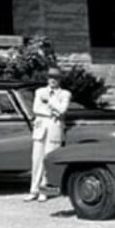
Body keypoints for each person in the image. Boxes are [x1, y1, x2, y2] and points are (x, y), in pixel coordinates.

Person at [24, 67, 71, 202]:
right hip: (41, 128)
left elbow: (63, 110)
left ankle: (44, 191)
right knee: (37, 160)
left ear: (60, 80)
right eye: (50, 77)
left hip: (54, 128)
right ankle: (33, 190)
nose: (53, 80)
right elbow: (36, 109)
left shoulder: (65, 94)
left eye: (56, 78)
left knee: (48, 159)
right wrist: (52, 111)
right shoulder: (40, 92)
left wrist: (50, 101)